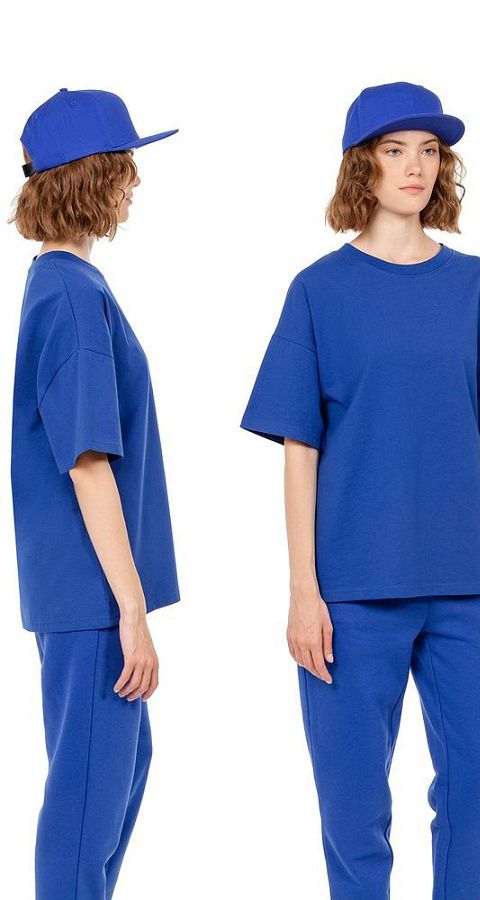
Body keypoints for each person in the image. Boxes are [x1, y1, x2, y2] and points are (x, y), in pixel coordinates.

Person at [241, 81, 480, 899]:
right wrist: (303, 590)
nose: (415, 166)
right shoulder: (317, 291)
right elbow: (298, 450)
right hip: (350, 592)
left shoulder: (478, 286)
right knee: (352, 807)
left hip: (465, 588)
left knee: (476, 787)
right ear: (362, 166)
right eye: (394, 149)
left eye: (429, 150)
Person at [10, 89, 180, 900]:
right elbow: (86, 464)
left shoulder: (60, 285)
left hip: (79, 592)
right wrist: (131, 609)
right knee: (85, 807)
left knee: (120, 769)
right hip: (91, 597)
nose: (134, 183)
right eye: (124, 167)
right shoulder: (74, 298)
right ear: (94, 178)